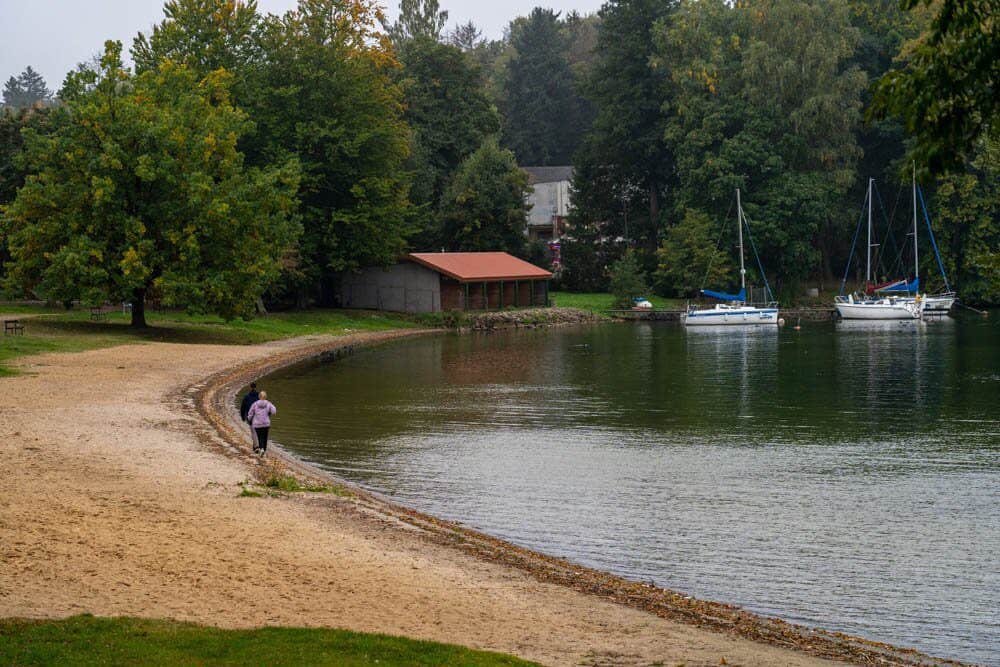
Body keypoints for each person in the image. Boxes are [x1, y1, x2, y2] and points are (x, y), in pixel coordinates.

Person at [246, 391, 277, 456]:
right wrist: (269, 412)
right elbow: (274, 411)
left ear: (259, 396)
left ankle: (261, 449)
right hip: (266, 423)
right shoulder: (268, 403)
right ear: (266, 397)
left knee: (260, 437)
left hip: (257, 424)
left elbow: (250, 413)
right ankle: (263, 450)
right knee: (265, 437)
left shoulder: (255, 404)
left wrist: (249, 419)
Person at [240, 382, 260, 452]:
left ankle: (256, 446)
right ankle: (256, 446)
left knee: (253, 432)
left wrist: (242, 416)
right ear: (256, 387)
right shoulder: (260, 396)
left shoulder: (246, 396)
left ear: (250, 387)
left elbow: (243, 407)